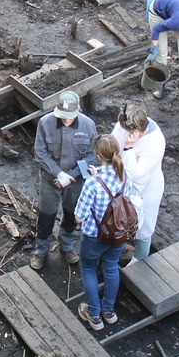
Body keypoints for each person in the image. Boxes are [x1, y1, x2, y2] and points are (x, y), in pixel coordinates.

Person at [32, 91, 97, 271]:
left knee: (71, 214)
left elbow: (91, 157)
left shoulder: (88, 126)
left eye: (70, 118)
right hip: (49, 179)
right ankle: (41, 250)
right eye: (63, 117)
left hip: (75, 182)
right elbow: (40, 153)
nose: (66, 121)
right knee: (46, 215)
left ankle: (67, 245)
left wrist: (72, 176)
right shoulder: (45, 123)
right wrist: (58, 174)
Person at [73, 134, 131, 331]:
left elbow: (79, 217)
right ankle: (109, 311)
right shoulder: (125, 176)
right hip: (118, 235)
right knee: (111, 268)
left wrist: (94, 177)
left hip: (94, 237)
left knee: (88, 269)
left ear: (98, 155)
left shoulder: (92, 183)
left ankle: (95, 315)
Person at [111, 104, 165, 262]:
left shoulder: (155, 143)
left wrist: (128, 148)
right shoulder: (125, 123)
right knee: (117, 219)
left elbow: (134, 173)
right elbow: (113, 143)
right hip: (119, 183)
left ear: (137, 130)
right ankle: (119, 247)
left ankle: (140, 258)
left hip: (144, 190)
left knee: (143, 227)